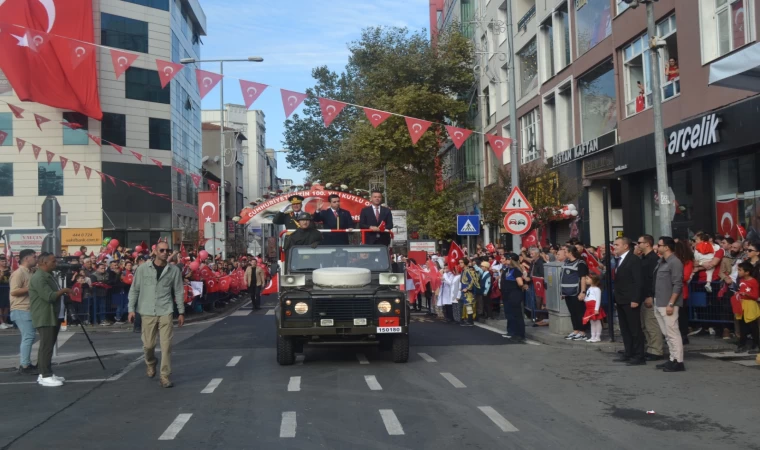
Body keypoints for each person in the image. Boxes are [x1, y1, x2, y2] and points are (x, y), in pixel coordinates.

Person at [127, 240, 185, 388]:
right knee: (148, 345)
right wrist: (131, 309)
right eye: (162, 250)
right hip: (147, 311)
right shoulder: (142, 269)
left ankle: (164, 376)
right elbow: (134, 289)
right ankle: (151, 362)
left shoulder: (174, 271)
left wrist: (181, 312)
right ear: (155, 252)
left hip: (166, 310)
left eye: (167, 250)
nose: (165, 253)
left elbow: (178, 291)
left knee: (166, 346)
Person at [28, 253, 70, 387]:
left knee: (49, 345)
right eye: (53, 261)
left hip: (52, 314)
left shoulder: (48, 275)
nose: (55, 263)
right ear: (44, 262)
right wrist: (64, 290)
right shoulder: (39, 277)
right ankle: (44, 375)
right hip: (45, 315)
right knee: (46, 346)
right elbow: (49, 296)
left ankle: (46, 372)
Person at [654, 237, 686, 372]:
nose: (657, 247)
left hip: (668, 303)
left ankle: (678, 361)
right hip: (659, 301)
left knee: (673, 332)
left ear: (666, 247)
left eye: (659, 245)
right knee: (667, 333)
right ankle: (673, 358)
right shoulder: (662, 262)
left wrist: (671, 303)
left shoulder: (675, 262)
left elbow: (678, 284)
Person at [612, 237, 646, 365]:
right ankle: (629, 352)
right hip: (621, 299)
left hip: (630, 299)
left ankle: (639, 355)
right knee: (624, 328)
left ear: (625, 246)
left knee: (635, 328)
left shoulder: (633, 260)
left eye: (617, 245)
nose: (614, 247)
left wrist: (636, 299)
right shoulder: (619, 260)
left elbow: (638, 281)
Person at [9, 249, 38, 374]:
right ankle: (24, 365)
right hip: (20, 308)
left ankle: (26, 363)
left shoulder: (30, 272)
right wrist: (31, 287)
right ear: (26, 258)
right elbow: (14, 291)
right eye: (34, 257)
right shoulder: (19, 273)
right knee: (29, 336)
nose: (36, 259)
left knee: (29, 336)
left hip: (28, 308)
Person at [638, 235, 663, 361]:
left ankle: (656, 350)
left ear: (647, 244)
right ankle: (650, 348)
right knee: (645, 325)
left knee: (652, 324)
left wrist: (650, 296)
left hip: (649, 296)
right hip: (643, 296)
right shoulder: (643, 258)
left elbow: (652, 280)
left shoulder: (653, 259)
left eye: (640, 242)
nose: (638, 245)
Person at [561, 245, 589, 340]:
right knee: (572, 312)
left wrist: (583, 292)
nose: (564, 253)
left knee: (580, 312)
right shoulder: (566, 262)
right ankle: (576, 330)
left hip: (577, 292)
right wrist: (562, 292)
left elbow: (583, 278)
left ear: (570, 252)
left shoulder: (580, 263)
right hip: (567, 292)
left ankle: (582, 332)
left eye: (565, 251)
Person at [734, 261, 760, 354]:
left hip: (750, 304)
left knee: (753, 326)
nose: (739, 272)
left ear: (747, 272)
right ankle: (742, 344)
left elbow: (755, 295)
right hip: (742, 304)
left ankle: (756, 345)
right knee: (742, 325)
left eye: (740, 270)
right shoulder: (741, 281)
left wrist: (746, 294)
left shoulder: (753, 281)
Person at [501, 253, 526, 341]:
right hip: (507, 294)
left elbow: (520, 283)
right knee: (511, 314)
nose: (505, 260)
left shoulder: (516, 270)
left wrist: (522, 285)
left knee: (517, 314)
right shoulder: (508, 269)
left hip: (514, 294)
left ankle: (520, 334)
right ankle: (513, 332)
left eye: (507, 259)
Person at [674, 241, 695, 344]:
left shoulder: (687, 262)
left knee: (682, 315)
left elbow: (686, 277)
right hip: (676, 290)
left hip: (682, 292)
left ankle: (683, 335)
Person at [582, 273, 606, 343]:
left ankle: (597, 337)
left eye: (587, 279)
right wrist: (585, 299)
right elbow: (588, 296)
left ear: (593, 280)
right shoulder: (589, 288)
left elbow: (598, 299)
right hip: (589, 308)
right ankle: (593, 336)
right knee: (592, 322)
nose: (586, 280)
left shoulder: (597, 289)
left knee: (597, 322)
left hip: (594, 308)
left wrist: (596, 309)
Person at [458, 258, 478, 326]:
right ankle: (467, 320)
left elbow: (472, 280)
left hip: (468, 292)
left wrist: (467, 288)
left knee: (469, 306)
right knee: (466, 306)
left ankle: (470, 321)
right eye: (459, 262)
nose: (460, 264)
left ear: (465, 263)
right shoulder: (463, 271)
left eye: (461, 262)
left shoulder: (468, 271)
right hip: (463, 291)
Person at [0, 255, 11, 329]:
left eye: (5, 261)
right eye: (2, 261)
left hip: (7, 289)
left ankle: (5, 322)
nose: (4, 263)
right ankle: (1, 322)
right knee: (0, 307)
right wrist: (2, 274)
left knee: (7, 306)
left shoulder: (9, 269)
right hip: (1, 289)